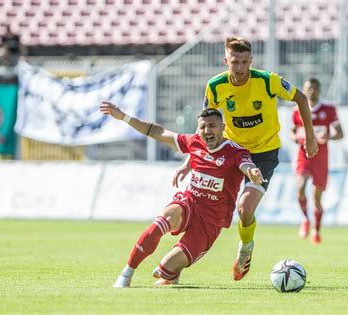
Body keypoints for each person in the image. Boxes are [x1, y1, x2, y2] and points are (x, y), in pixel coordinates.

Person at [173, 36, 319, 281]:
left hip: (264, 153)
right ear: (225, 61)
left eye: (244, 62)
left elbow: (301, 99)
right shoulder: (216, 86)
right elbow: (205, 127)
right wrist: (189, 161)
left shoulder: (268, 81)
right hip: (230, 152)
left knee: (245, 208)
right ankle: (175, 263)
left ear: (251, 60)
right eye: (234, 62)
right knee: (203, 208)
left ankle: (245, 248)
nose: (239, 68)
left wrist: (311, 138)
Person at [99, 102, 264, 287]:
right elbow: (157, 132)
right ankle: (126, 274)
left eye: (212, 126)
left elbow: (246, 165)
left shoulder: (236, 151)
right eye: (203, 126)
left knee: (163, 270)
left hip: (210, 222)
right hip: (189, 203)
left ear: (223, 128)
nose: (207, 130)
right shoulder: (194, 142)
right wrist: (124, 117)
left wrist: (252, 172)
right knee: (160, 222)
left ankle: (171, 272)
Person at [290, 78, 344, 244]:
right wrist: (296, 137)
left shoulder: (328, 109)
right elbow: (292, 132)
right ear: (304, 90)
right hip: (303, 155)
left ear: (319, 90)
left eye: (314, 88)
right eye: (308, 88)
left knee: (316, 198)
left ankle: (316, 229)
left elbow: (340, 133)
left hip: (321, 157)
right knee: (300, 186)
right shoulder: (297, 109)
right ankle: (305, 219)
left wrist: (327, 136)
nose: (311, 91)